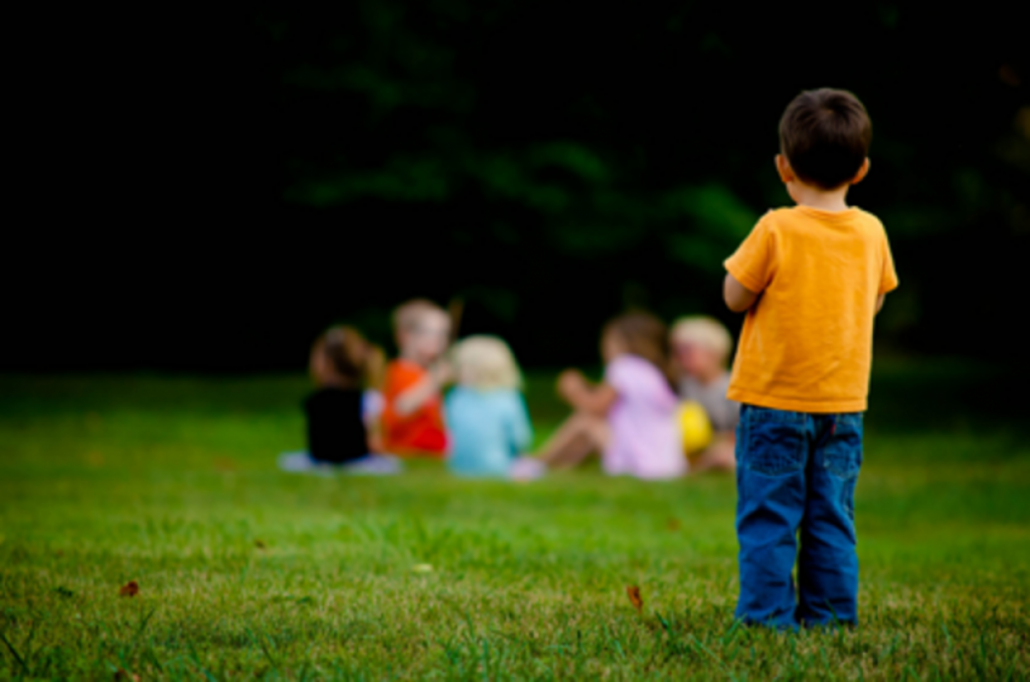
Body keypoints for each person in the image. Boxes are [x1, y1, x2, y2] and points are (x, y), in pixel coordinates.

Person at [723, 88, 898, 629]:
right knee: (831, 516)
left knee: (769, 515)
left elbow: (735, 296)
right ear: (862, 170)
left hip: (774, 401)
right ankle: (831, 616)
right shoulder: (871, 231)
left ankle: (767, 618)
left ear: (783, 166)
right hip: (843, 406)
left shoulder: (776, 227)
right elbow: (875, 299)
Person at [531, 311, 686, 480]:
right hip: (666, 462)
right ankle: (553, 468)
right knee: (592, 430)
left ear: (623, 342)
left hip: (638, 458)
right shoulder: (653, 371)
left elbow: (597, 408)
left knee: (586, 422)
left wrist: (573, 391)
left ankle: (538, 462)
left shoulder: (624, 366)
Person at [278, 326, 402, 475]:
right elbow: (373, 442)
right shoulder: (367, 399)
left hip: (320, 461)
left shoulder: (313, 401)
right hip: (357, 461)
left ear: (324, 365)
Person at [445, 335, 533, 477]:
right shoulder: (508, 398)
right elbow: (520, 438)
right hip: (499, 467)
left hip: (459, 467)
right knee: (532, 467)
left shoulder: (456, 396)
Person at [380, 299, 451, 457]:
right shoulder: (397, 371)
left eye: (443, 334)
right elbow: (400, 408)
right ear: (404, 336)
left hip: (433, 453)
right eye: (430, 333)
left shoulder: (427, 374)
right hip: (407, 450)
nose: (439, 340)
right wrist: (433, 382)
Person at [670, 316, 739, 472]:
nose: (680, 358)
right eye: (677, 352)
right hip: (689, 448)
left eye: (687, 351)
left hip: (724, 446)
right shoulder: (682, 385)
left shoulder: (731, 387)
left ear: (713, 353)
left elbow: (741, 430)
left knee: (726, 458)